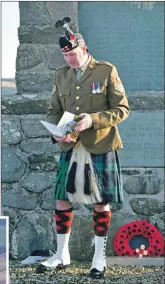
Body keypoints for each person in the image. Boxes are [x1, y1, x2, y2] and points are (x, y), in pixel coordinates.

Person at [36, 17, 130, 279]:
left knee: (101, 203)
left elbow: (122, 109)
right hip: (71, 147)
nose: (71, 61)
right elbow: (54, 110)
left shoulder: (105, 71)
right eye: (67, 57)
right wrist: (56, 135)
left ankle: (98, 259)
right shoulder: (61, 75)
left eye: (74, 55)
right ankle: (62, 254)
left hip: (100, 144)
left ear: (84, 49)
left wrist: (93, 119)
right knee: (62, 200)